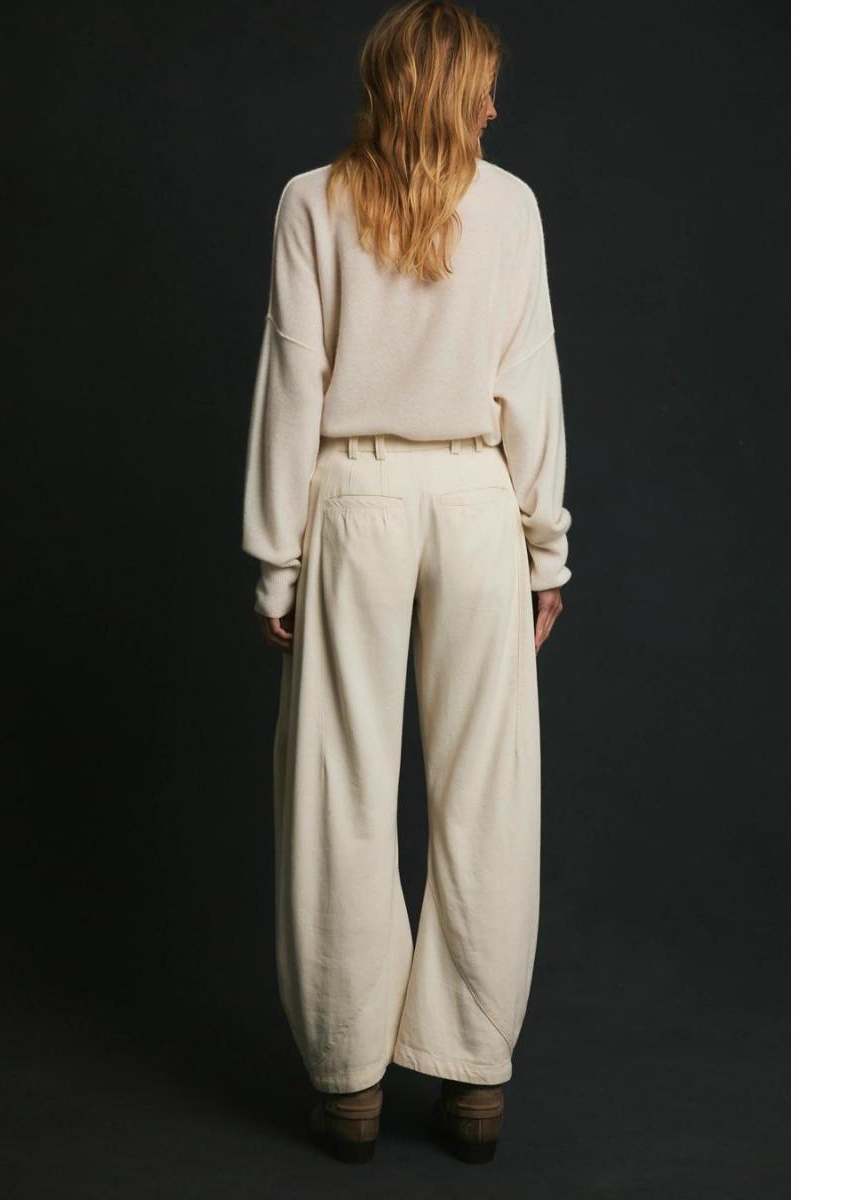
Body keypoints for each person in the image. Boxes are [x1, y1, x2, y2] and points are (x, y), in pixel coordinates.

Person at [242, 0, 572, 1166]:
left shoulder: (311, 201)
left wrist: (278, 562)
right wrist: (545, 547)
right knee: (489, 789)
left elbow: (294, 382)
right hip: (477, 502)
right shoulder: (513, 207)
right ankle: (474, 1078)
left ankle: (350, 1084)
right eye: (482, 87)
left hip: (358, 500)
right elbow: (531, 381)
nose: (495, 107)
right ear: (442, 92)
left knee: (341, 786)